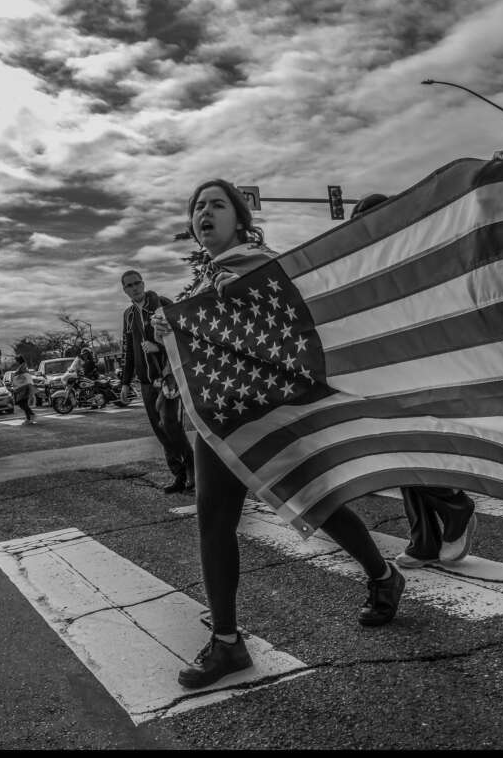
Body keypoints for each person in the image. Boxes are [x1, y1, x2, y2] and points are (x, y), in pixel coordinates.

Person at [152, 178, 406, 690]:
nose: (205, 213)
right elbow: (206, 342)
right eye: (198, 207)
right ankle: (227, 643)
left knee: (316, 499)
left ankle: (383, 575)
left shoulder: (260, 266)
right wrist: (171, 333)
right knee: (214, 521)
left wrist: (188, 324)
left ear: (240, 219)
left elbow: (277, 329)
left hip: (267, 411)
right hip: (219, 419)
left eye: (217, 204)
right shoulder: (206, 279)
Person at [350, 193, 481, 569]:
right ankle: (424, 541)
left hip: (422, 366)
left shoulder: (414, 253)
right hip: (383, 372)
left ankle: (456, 505)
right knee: (400, 454)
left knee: (412, 448)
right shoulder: (361, 265)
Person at [119, 269, 195, 494]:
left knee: (170, 424)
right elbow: (129, 351)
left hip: (168, 377)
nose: (134, 288)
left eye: (137, 283)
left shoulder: (162, 304)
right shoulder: (129, 315)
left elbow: (180, 338)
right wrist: (124, 382)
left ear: (143, 283)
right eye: (129, 286)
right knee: (160, 431)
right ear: (124, 290)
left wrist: (158, 346)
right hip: (145, 381)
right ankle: (179, 475)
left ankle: (192, 467)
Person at [11, 356, 36, 425]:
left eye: (16, 360)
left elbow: (23, 374)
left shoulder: (23, 366)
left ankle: (31, 414)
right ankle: (28, 418)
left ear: (19, 361)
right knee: (23, 402)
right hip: (23, 387)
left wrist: (16, 374)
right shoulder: (23, 366)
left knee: (21, 402)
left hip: (24, 387)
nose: (16, 362)